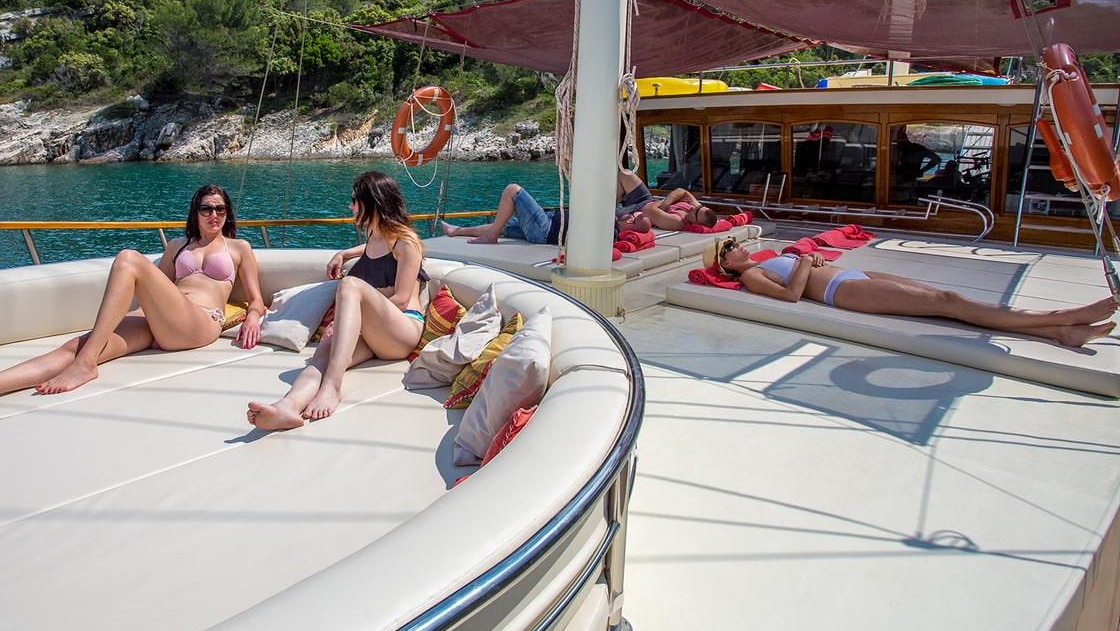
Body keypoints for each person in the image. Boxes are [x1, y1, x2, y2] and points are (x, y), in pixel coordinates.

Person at [0, 184, 266, 414]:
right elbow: (158, 288)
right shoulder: (176, 247)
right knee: (74, 347)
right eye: (206, 208)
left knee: (129, 257)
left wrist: (252, 317)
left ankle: (86, 366)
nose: (214, 215)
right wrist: (130, 316)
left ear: (228, 213)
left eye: (220, 209)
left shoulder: (239, 249)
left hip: (199, 323)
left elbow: (256, 300)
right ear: (196, 212)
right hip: (157, 321)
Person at [247, 171, 428, 430]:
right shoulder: (373, 238)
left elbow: (400, 299)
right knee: (324, 353)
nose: (350, 205)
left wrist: (350, 313)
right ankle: (288, 406)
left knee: (350, 284)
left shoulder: (406, 242)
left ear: (372, 202)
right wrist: (343, 254)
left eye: (354, 200)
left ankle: (332, 387)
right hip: (374, 332)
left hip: (403, 331)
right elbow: (369, 252)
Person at [705, 237, 1117, 348]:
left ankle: (1058, 332)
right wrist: (802, 264)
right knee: (947, 305)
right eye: (728, 248)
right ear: (725, 263)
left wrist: (806, 261)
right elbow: (792, 297)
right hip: (841, 293)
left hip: (851, 274)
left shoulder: (766, 257)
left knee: (943, 297)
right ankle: (1061, 317)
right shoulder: (750, 277)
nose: (736, 244)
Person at [438, 166, 658, 245]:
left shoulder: (608, 230)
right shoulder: (611, 226)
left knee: (512, 190)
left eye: (635, 217)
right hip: (549, 224)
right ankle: (456, 231)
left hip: (544, 229)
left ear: (631, 222)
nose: (632, 214)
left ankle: (491, 236)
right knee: (503, 224)